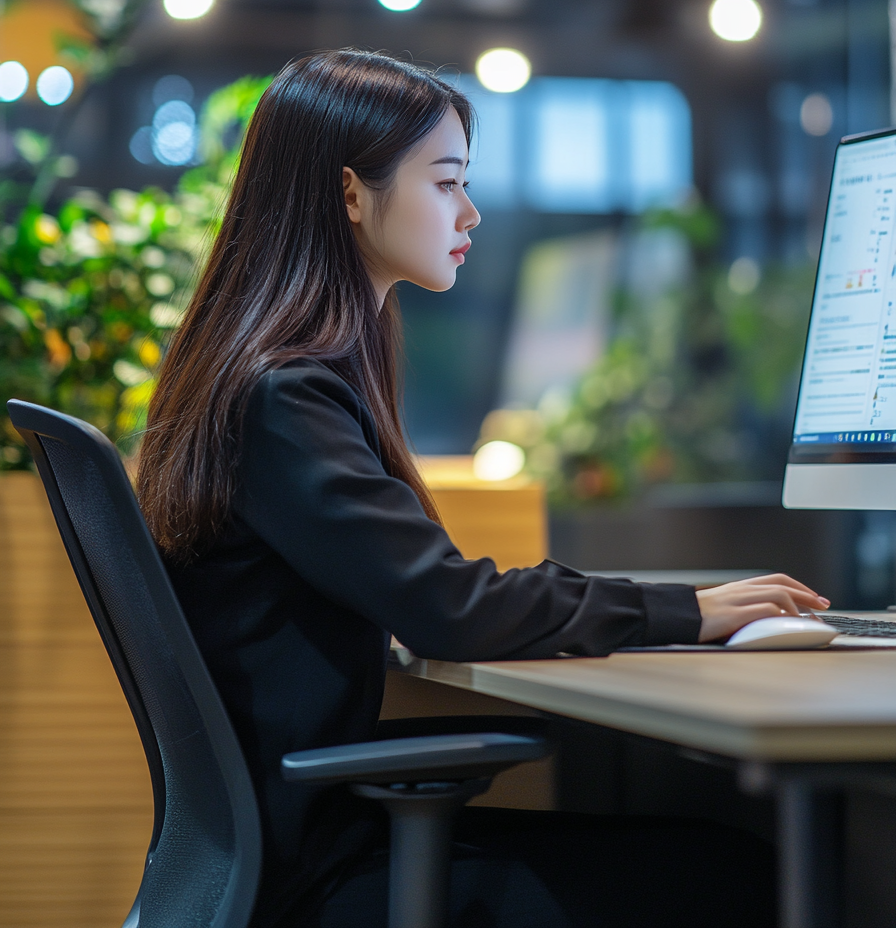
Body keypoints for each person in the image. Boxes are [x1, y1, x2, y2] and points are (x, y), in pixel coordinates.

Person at [138, 50, 829, 927]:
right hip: (317, 873)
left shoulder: (267, 377)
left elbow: (424, 593)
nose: (469, 213)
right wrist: (688, 612)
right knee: (741, 871)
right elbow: (446, 607)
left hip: (285, 847)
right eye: (445, 182)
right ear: (351, 194)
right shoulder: (286, 395)